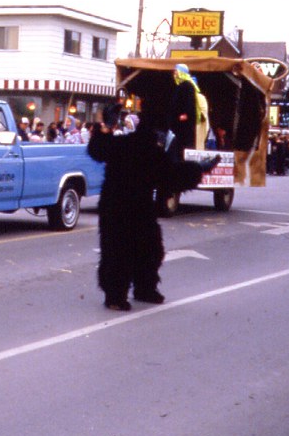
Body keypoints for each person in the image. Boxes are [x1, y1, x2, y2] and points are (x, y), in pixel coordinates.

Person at [88, 102, 219, 311]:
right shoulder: (150, 153)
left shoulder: (126, 145)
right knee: (124, 252)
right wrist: (199, 169)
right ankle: (118, 295)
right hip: (123, 208)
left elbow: (98, 149)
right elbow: (172, 176)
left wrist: (106, 126)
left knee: (144, 250)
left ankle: (141, 290)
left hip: (128, 208)